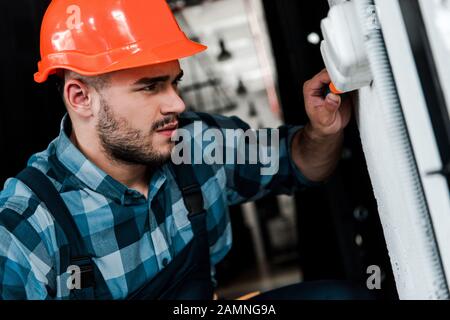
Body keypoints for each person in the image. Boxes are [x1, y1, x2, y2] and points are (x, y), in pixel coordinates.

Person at [0, 0, 352, 300]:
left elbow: (297, 161)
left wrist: (322, 131)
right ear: (81, 98)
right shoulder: (28, 225)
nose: (178, 103)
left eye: (174, 82)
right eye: (150, 87)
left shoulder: (197, 143)